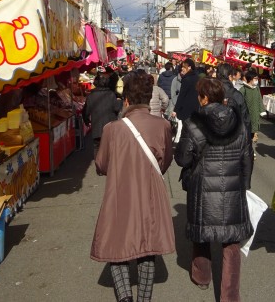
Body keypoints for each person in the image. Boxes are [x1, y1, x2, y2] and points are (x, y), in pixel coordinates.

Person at [91, 71, 175, 302]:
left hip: (119, 193)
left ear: (125, 100)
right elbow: (166, 160)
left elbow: (102, 164)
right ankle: (144, 299)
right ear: (149, 99)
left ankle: (125, 297)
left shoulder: (112, 129)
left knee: (117, 247)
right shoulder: (163, 126)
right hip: (151, 193)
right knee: (147, 249)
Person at [175, 77, 253, 301]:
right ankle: (230, 296)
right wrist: (244, 184)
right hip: (232, 187)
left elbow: (182, 158)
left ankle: (202, 275)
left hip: (202, 186)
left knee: (202, 232)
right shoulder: (238, 123)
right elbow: (246, 157)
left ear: (205, 98)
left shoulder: (193, 123)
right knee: (231, 242)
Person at [82, 71, 122, 149]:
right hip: (110, 130)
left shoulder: (91, 96)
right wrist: (120, 101)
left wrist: (87, 121)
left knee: (98, 150)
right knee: (110, 150)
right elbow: (117, 108)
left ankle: (99, 161)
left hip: (97, 131)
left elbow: (86, 112)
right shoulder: (111, 94)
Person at [216, 63, 252, 135]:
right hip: (234, 137)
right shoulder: (236, 95)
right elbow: (245, 120)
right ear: (230, 77)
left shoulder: (209, 92)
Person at [240, 70, 264, 155]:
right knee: (247, 133)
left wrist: (262, 110)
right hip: (247, 116)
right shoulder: (243, 89)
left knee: (254, 132)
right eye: (255, 78)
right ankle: (248, 150)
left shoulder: (257, 88)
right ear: (250, 79)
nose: (257, 80)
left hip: (255, 115)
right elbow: (240, 102)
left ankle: (251, 149)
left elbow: (260, 99)